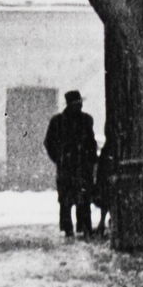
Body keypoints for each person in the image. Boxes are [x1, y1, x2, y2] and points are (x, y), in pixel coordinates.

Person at [44, 90, 98, 236]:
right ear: (70, 104)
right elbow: (49, 143)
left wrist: (91, 160)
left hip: (81, 166)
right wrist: (59, 159)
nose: (79, 106)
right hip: (68, 167)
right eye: (76, 103)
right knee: (67, 200)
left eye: (79, 103)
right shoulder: (58, 122)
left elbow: (91, 143)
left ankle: (83, 226)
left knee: (83, 198)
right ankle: (69, 228)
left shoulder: (86, 120)